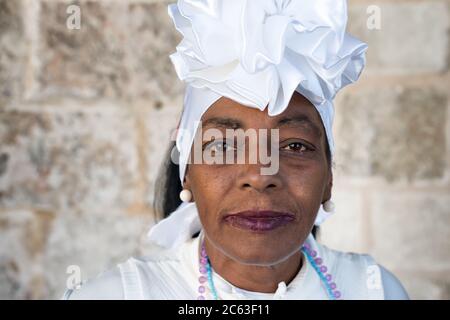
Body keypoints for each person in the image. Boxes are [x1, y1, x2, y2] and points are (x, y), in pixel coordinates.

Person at [63, 0, 409, 300]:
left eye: (293, 145)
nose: (260, 175)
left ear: (329, 178)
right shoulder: (118, 294)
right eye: (224, 146)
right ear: (187, 172)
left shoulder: (375, 290)